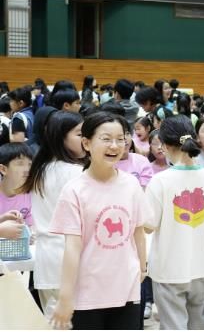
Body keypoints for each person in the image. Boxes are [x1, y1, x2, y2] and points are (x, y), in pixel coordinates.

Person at [49, 112, 148, 330]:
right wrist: (65, 297)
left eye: (120, 139)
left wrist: (142, 268)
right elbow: (72, 248)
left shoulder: (131, 185)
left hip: (126, 289)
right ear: (86, 143)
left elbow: (138, 231)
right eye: (106, 139)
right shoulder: (74, 190)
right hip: (88, 293)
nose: (114, 146)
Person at [144, 115, 204, 330]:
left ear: (165, 145)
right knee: (200, 325)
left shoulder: (160, 181)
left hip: (168, 269)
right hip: (199, 266)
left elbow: (148, 226)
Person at [21, 111, 85, 312]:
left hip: (46, 259)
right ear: (61, 138)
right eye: (79, 134)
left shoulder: (40, 169)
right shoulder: (77, 173)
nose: (86, 140)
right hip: (71, 258)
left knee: (53, 319)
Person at [0, 143, 34, 228]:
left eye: (30, 164)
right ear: (3, 169)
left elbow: (30, 228)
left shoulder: (31, 194)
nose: (27, 170)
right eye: (20, 164)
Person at [115, 119, 154, 189]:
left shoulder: (142, 161)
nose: (124, 138)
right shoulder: (105, 164)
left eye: (127, 133)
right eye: (119, 135)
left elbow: (146, 189)